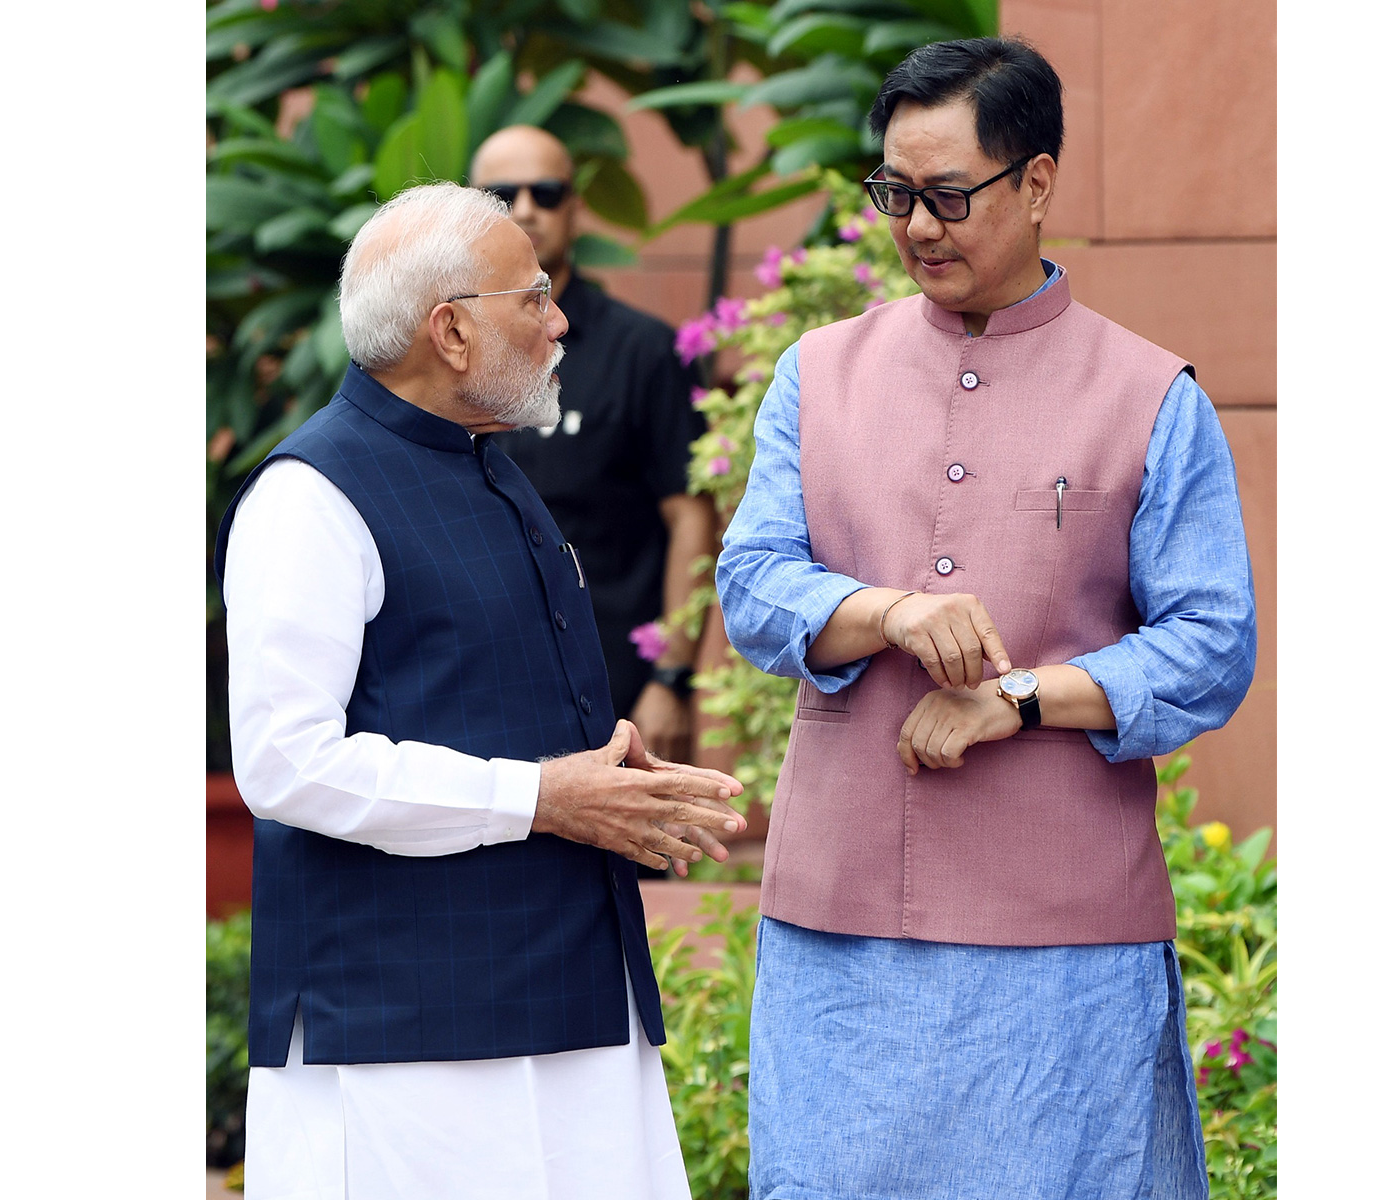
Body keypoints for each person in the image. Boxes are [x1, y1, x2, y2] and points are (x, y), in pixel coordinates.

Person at [715, 36, 1257, 1200]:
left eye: (950, 196)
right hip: (839, 925)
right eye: (895, 194)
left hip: (1063, 938)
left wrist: (1017, 699)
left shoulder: (1148, 396)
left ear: (1038, 181)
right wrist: (885, 612)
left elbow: (1212, 644)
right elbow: (751, 583)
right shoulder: (818, 373)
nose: (918, 227)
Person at [214, 181, 748, 1200]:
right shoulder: (309, 496)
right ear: (451, 331)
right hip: (407, 1033)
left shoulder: (487, 463)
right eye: (534, 297)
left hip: (567, 993)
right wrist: (544, 796)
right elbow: (285, 765)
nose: (559, 322)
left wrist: (604, 779)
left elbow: (467, 694)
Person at [470, 125, 715, 767]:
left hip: (615, 691)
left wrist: (672, 678)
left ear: (575, 208)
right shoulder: (447, 352)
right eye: (503, 196)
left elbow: (691, 518)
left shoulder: (644, 350)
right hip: (477, 687)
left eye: (547, 192)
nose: (526, 209)